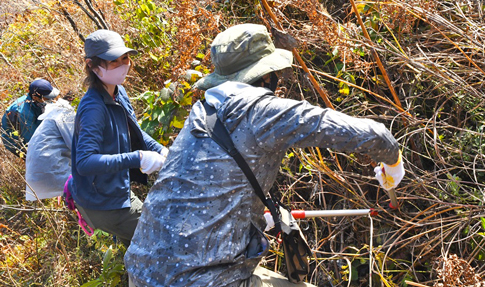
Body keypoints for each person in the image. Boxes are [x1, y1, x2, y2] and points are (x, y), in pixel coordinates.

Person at [125, 23, 405, 287]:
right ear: (267, 75)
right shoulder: (261, 111)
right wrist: (393, 165)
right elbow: (375, 135)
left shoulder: (202, 112)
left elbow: (206, 184)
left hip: (141, 269)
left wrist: (254, 216)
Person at [68, 29, 168, 247]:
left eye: (125, 58)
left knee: (138, 248)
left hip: (115, 190)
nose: (124, 64)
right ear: (93, 66)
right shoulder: (94, 107)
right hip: (102, 202)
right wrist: (138, 158)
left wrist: (161, 150)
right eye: (113, 61)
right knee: (161, 236)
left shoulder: (117, 92)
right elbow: (84, 162)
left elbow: (133, 130)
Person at [2, 78, 60, 157]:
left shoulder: (37, 101)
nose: (51, 100)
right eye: (48, 98)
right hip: (18, 141)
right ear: (35, 98)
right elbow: (33, 140)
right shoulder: (23, 113)